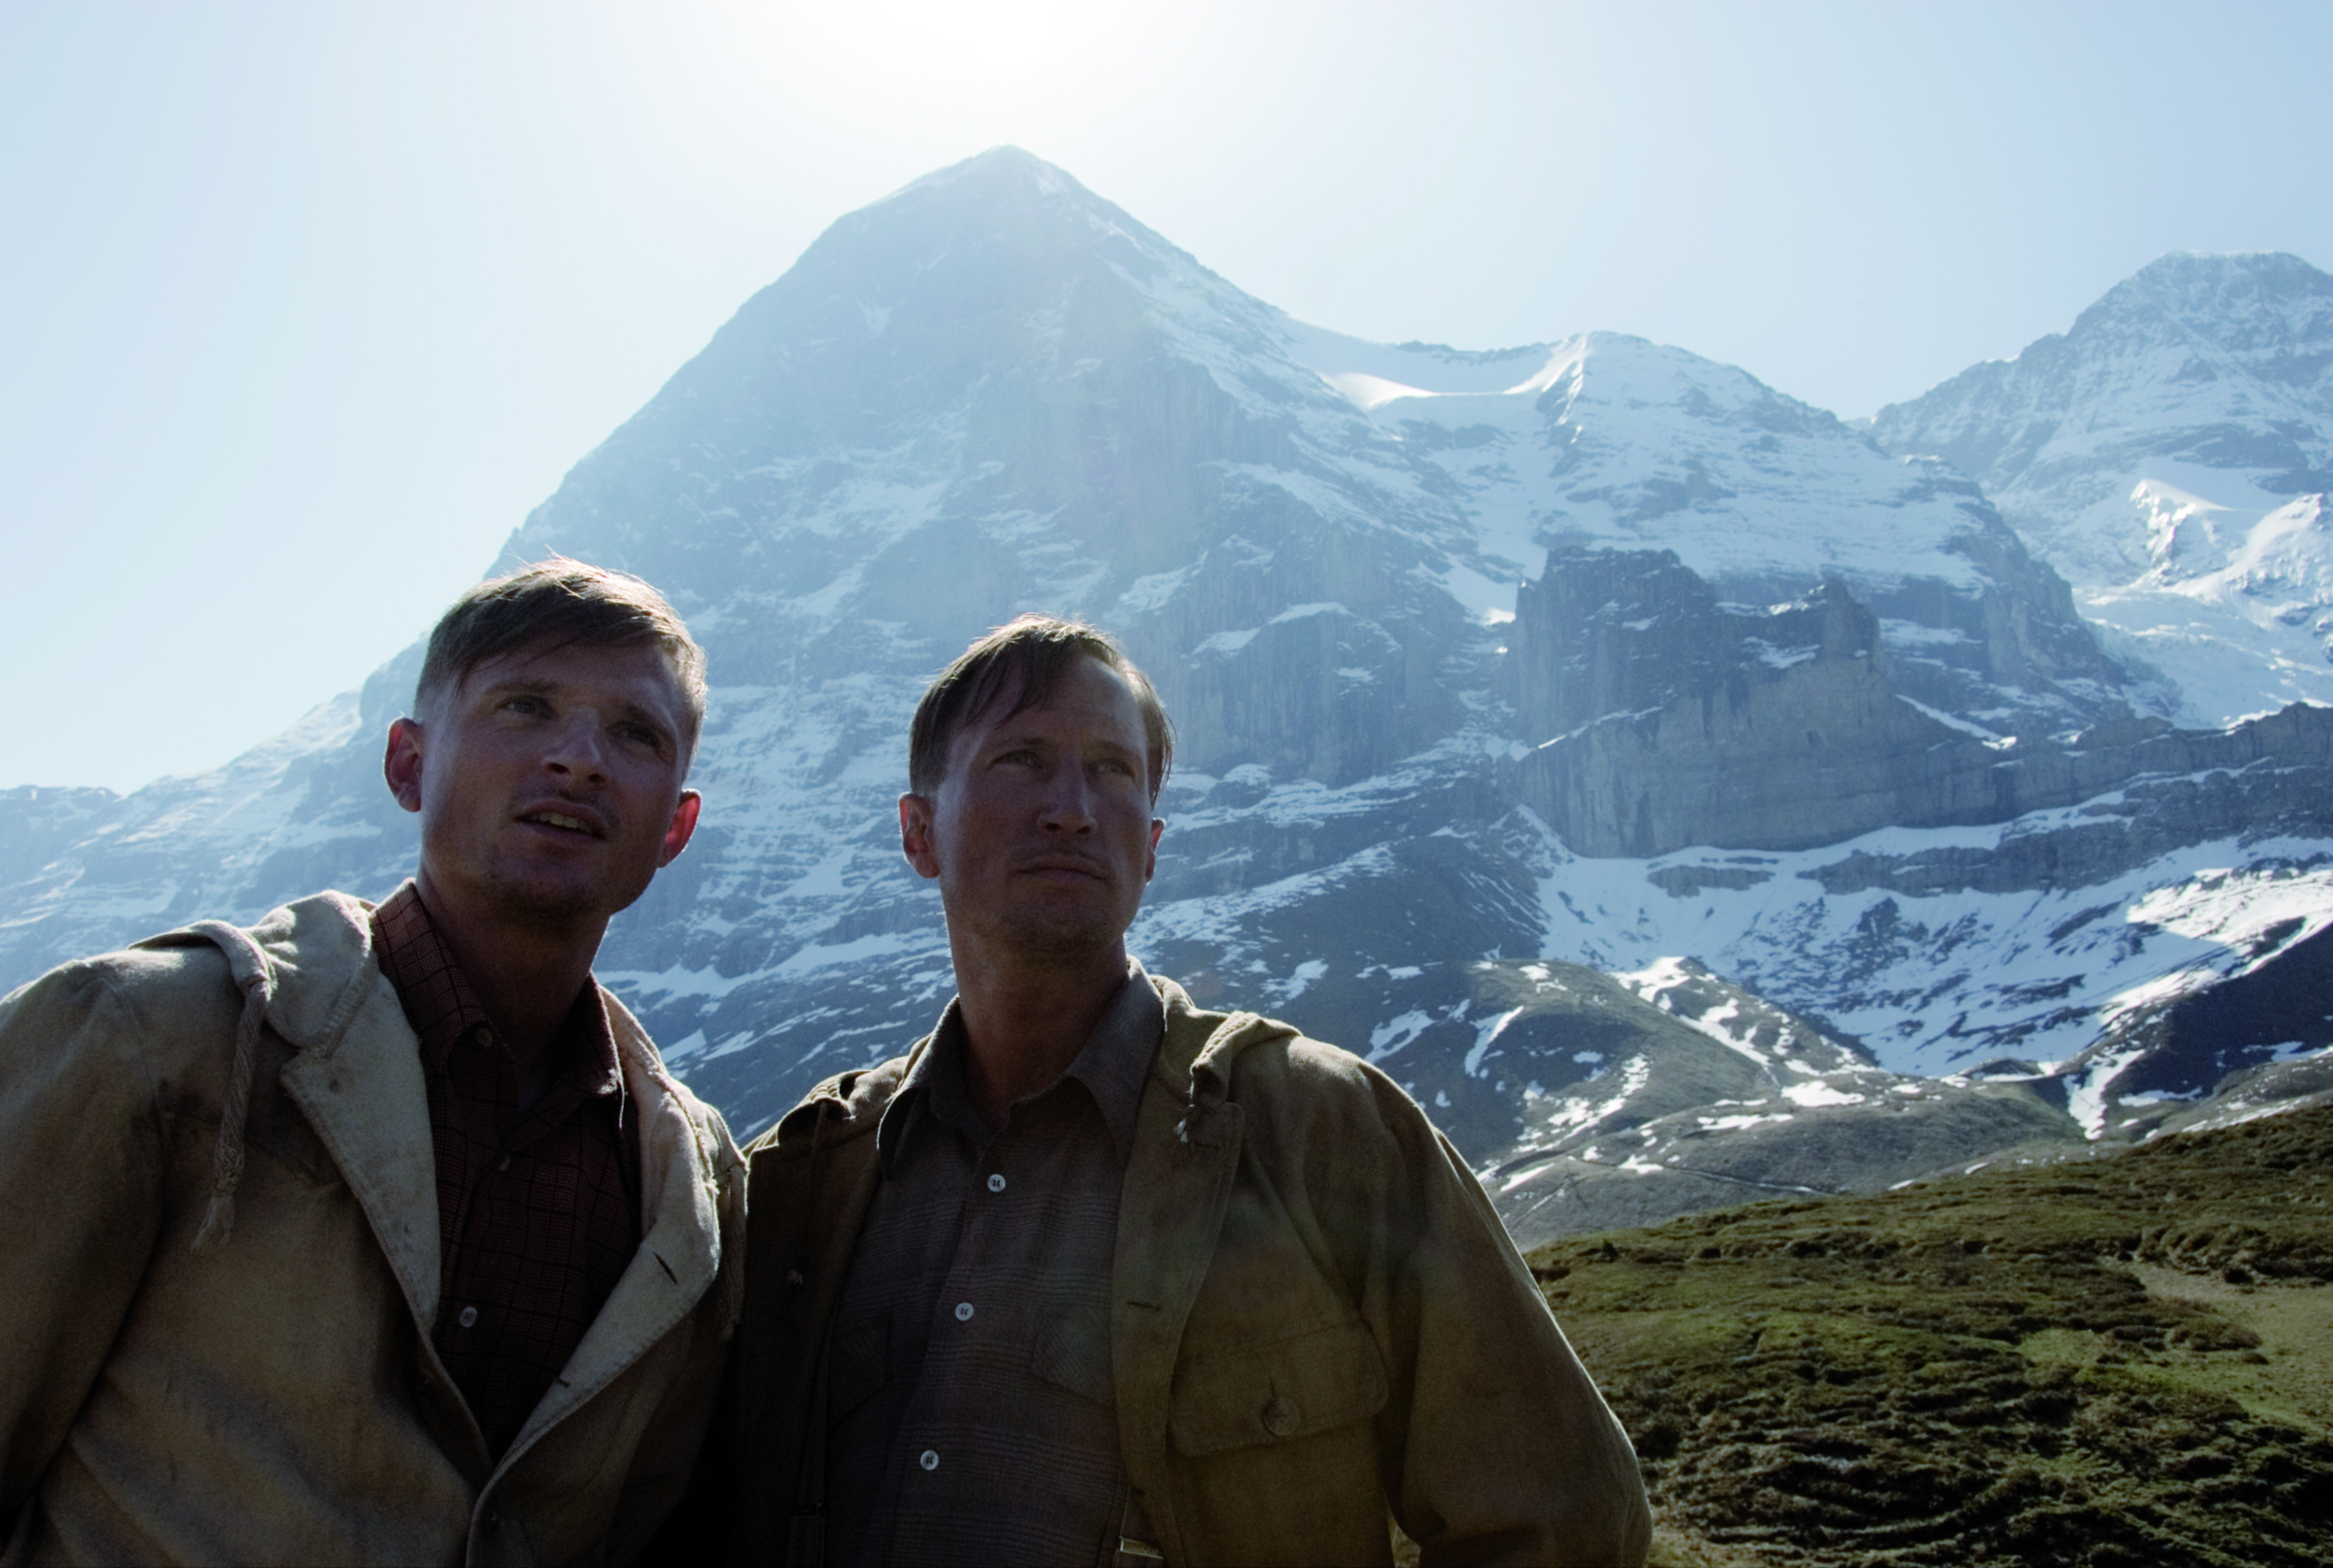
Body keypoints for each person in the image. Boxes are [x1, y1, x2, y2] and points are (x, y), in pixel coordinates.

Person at [709, 615, 1650, 1566]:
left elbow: (1561, 1523)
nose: (1071, 808)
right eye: (1021, 760)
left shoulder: (1320, 1129)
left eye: (1112, 771)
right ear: (918, 833)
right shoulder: (809, 1179)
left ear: (1152, 846)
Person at [0, 560, 745, 1566]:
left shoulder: (692, 1186)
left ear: (675, 829)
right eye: (525, 708)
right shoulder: (155, 1040)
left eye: (634, 733)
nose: (579, 761)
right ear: (406, 763)